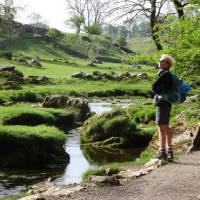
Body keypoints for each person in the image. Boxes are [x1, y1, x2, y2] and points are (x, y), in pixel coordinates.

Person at [152, 54, 174, 162]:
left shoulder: (165, 74)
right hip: (166, 102)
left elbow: (153, 87)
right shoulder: (166, 74)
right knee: (163, 127)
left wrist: (156, 89)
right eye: (160, 61)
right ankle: (167, 152)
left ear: (168, 64)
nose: (160, 63)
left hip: (162, 103)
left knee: (162, 127)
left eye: (163, 61)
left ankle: (164, 152)